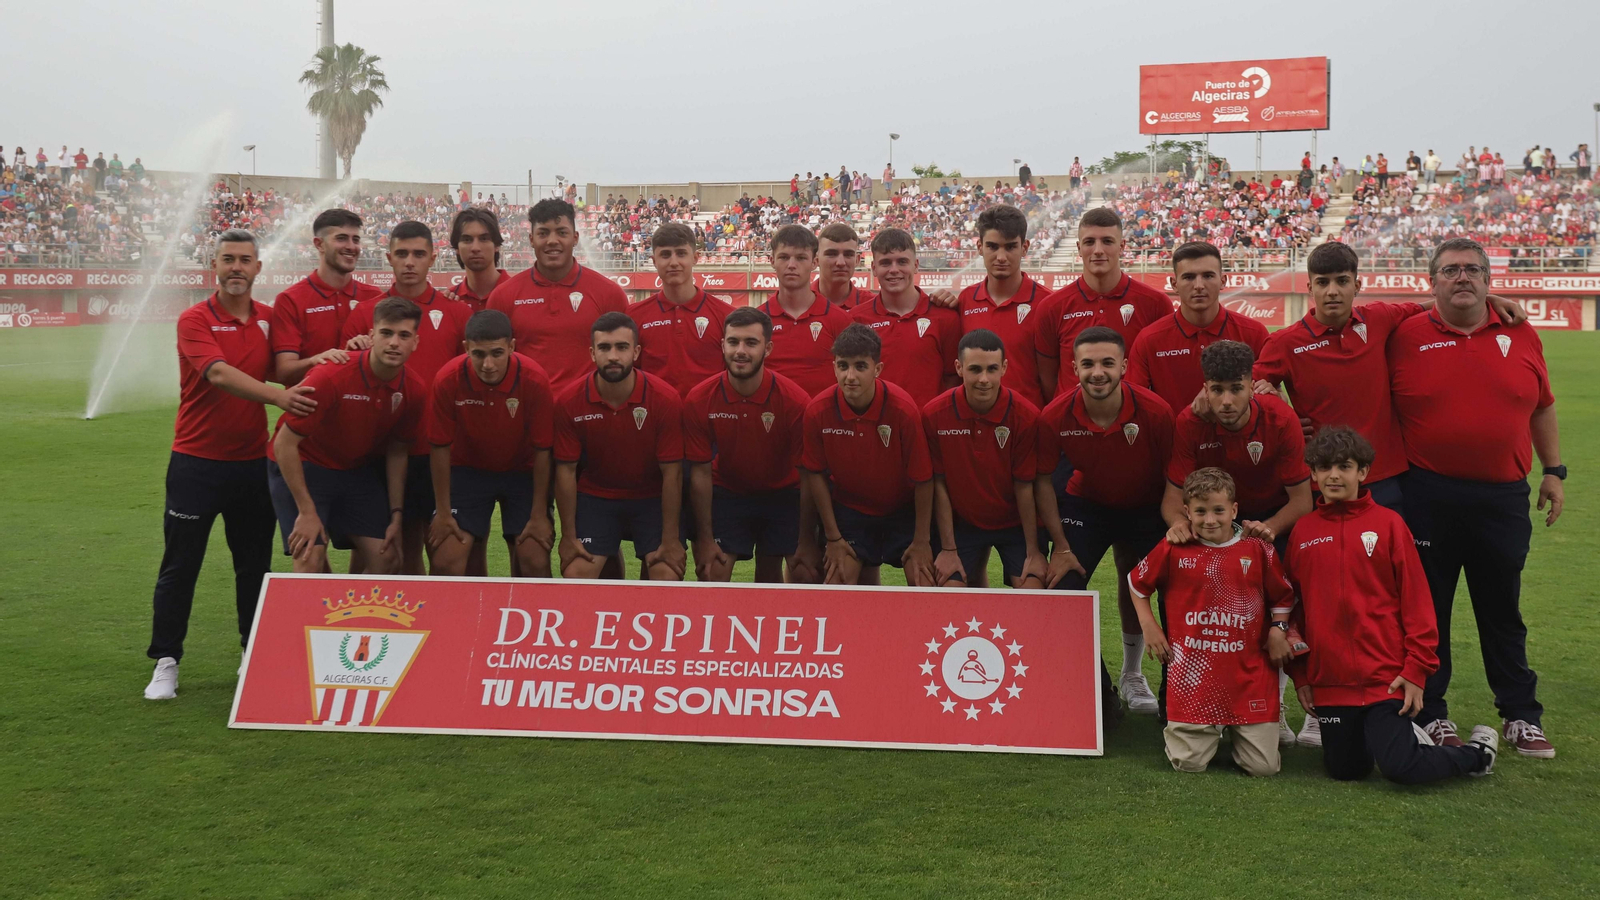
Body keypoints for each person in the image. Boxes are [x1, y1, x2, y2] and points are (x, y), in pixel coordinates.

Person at [1388, 238, 1564, 758]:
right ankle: (1432, 713)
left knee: (1502, 610)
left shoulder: (1520, 331)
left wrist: (1553, 470)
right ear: (1431, 281)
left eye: (1472, 270)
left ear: (1488, 280)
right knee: (1428, 612)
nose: (1461, 277)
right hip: (1427, 495)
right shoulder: (1403, 334)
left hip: (1503, 499)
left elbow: (1542, 406)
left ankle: (1520, 715)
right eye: (1450, 270)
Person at [142, 230, 317, 701]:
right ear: (213, 266)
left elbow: (284, 368)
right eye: (228, 260)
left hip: (249, 466)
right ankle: (166, 661)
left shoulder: (269, 319)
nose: (237, 267)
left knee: (254, 567)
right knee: (180, 566)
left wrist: (327, 358)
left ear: (259, 268)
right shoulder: (194, 319)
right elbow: (218, 373)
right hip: (195, 463)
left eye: (245, 260)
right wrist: (280, 397)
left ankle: (251, 652)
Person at [1285, 426, 1499, 781]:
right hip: (1332, 684)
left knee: (1401, 768)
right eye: (1324, 468)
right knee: (1346, 771)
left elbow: (1417, 603)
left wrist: (1415, 671)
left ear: (1363, 472)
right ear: (1312, 473)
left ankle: (1475, 756)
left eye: (1345, 466)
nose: (1334, 475)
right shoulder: (1303, 532)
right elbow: (1295, 612)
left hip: (1387, 679)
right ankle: (1391, 737)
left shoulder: (1389, 524)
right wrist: (1303, 675)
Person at [1253, 242, 1527, 515]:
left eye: (1342, 281)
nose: (1332, 291)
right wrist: (1282, 419)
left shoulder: (1379, 318)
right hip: (1324, 478)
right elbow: (1245, 395)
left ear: (1357, 285)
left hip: (1385, 478)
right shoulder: (1284, 343)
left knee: (1385, 556)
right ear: (1310, 288)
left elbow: (1438, 304)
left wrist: (1489, 299)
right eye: (1322, 283)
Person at [1035, 326, 1175, 714]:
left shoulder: (1156, 412)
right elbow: (1043, 481)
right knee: (1062, 591)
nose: (1098, 372)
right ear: (1074, 367)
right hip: (1088, 508)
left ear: (1125, 366)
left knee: (1178, 593)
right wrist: (1060, 548)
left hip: (1147, 510)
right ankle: (1097, 697)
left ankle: (1174, 694)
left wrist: (1173, 527)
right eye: (1089, 364)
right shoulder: (1055, 415)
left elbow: (1174, 477)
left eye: (1108, 363)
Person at [1128, 468, 1296, 776]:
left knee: (1263, 769)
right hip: (1194, 680)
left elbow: (1283, 597)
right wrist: (1150, 627)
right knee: (1188, 764)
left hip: (1249, 677)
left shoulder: (1258, 547)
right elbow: (1137, 584)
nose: (1210, 520)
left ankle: (1236, 728)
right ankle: (1208, 729)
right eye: (1200, 512)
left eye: (1219, 511)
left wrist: (1278, 629)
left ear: (1233, 509)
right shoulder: (1174, 546)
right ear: (1186, 512)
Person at [341, 221, 472, 576]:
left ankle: (448, 629)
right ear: (388, 258)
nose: (409, 262)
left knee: (448, 556)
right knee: (392, 552)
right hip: (381, 454)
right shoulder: (363, 314)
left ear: (433, 257)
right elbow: (346, 385)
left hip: (442, 453)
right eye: (401, 254)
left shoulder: (457, 312)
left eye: (418, 254)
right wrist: (354, 352)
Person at [267, 296, 424, 579]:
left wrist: (396, 515)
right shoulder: (331, 375)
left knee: (388, 559)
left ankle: (354, 618)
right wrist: (306, 512)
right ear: (371, 336)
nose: (393, 343)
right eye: (386, 333)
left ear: (416, 342)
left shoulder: (414, 389)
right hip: (305, 466)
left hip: (352, 472)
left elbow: (398, 452)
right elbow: (284, 444)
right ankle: (314, 620)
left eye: (404, 335)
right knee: (309, 558)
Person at [683, 306, 814, 583]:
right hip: (729, 492)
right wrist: (705, 540)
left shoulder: (795, 401)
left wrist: (806, 540)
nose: (740, 350)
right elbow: (700, 473)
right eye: (733, 342)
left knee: (802, 572)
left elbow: (808, 476)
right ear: (722, 345)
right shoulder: (700, 398)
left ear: (767, 348)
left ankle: (779, 626)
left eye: (751, 343)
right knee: (711, 571)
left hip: (783, 494)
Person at [552, 312, 687, 581]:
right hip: (597, 498)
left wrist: (671, 539)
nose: (613, 356)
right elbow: (565, 472)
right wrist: (568, 536)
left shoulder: (665, 399)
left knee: (665, 575)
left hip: (651, 499)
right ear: (592, 353)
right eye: (604, 348)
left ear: (636, 352)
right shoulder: (569, 401)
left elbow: (673, 474)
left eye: (622, 347)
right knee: (576, 574)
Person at [800, 323, 935, 586]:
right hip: (851, 511)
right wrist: (833, 538)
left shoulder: (903, 410)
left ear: (877, 369)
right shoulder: (817, 411)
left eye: (860, 366)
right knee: (836, 581)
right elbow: (815, 475)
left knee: (924, 580)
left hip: (901, 510)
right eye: (843, 366)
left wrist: (921, 541)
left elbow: (923, 479)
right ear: (834, 367)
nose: (850, 376)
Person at [425, 310, 556, 578]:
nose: (487, 364)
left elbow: (543, 450)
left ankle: (527, 617)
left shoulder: (534, 378)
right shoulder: (448, 378)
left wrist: (539, 514)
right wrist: (443, 512)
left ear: (511, 347)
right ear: (466, 349)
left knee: (533, 559)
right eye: (479, 354)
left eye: (497, 353)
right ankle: (457, 620)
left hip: (522, 472)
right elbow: (439, 447)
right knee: (446, 559)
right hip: (468, 471)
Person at [922, 329, 1046, 588]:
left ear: (1004, 368)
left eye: (992, 369)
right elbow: (939, 484)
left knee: (1033, 592)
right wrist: (947, 549)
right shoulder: (934, 414)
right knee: (948, 592)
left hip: (1014, 525)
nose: (984, 379)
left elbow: (1025, 487)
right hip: (963, 524)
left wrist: (1034, 552)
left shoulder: (1026, 416)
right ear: (959, 367)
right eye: (975, 369)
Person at [487, 198, 630, 394]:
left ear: (575, 238)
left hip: (586, 416)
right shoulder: (503, 297)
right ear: (531, 239)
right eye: (543, 233)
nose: (552, 241)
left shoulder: (609, 294)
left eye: (562, 233)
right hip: (526, 414)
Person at [1033, 208, 1172, 400]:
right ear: (1079, 247)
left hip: (1134, 422)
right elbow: (1047, 378)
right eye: (1089, 242)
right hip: (1071, 423)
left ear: (1122, 246)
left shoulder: (1155, 303)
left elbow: (1162, 373)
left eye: (1107, 241)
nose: (1098, 250)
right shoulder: (1052, 307)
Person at [1127, 241, 1269, 414]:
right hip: (1175, 440)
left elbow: (1269, 397)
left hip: (1239, 441)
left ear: (1223, 281)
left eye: (1208, 276)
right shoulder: (1149, 339)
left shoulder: (1254, 333)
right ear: (1174, 284)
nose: (1199, 285)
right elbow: (1134, 403)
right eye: (1189, 277)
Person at [271, 209, 385, 386]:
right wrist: (318, 360)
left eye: (355, 239)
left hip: (363, 410)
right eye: (341, 238)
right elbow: (285, 373)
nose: (351, 246)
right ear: (319, 244)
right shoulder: (290, 300)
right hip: (314, 409)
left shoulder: (375, 296)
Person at [850, 227, 961, 408]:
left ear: (916, 265)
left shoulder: (945, 316)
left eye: (902, 261)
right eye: (885, 263)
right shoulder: (857, 319)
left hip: (927, 429)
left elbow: (953, 377)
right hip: (876, 427)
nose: (894, 270)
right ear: (874, 268)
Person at [626, 222, 732, 397]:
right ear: (654, 261)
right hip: (656, 419)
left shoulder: (726, 315)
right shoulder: (633, 316)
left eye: (681, 253)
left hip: (708, 419)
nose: (673, 262)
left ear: (696, 257)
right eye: (665, 255)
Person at [956, 205, 1048, 407]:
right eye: (992, 246)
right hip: (976, 424)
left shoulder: (1047, 303)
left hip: (1028, 424)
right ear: (979, 247)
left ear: (1025, 248)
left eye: (1010, 247)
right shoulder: (965, 300)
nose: (1001, 257)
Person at [757, 224, 855, 396]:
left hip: (823, 420)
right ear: (772, 261)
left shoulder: (840, 320)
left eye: (801, 258)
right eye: (784, 257)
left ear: (814, 262)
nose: (792, 265)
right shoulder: (757, 321)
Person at [447, 207, 511, 313]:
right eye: (467, 240)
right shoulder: (449, 301)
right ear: (457, 248)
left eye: (484, 239)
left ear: (496, 245)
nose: (475, 248)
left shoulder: (520, 296)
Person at [815, 222, 875, 309]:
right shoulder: (794, 303)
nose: (841, 262)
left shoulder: (873, 305)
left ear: (857, 260)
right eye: (831, 254)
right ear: (816, 260)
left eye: (848, 255)